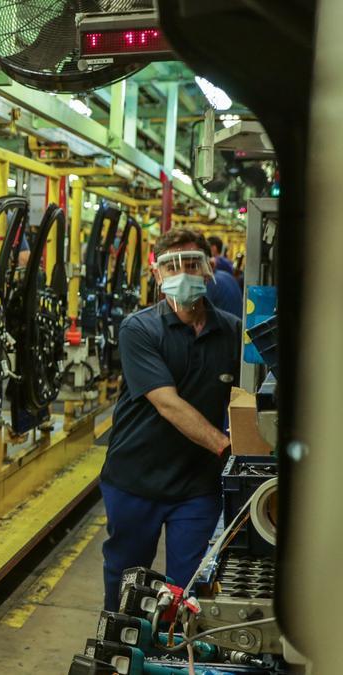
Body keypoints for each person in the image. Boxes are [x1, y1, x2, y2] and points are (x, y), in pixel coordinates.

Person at [100, 227, 241, 612]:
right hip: (135, 480)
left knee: (187, 591)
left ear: (207, 270)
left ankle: (176, 658)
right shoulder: (140, 329)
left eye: (192, 263)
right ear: (157, 275)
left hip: (196, 486)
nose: (183, 272)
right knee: (127, 586)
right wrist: (226, 447)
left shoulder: (232, 331)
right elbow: (167, 404)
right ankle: (120, 656)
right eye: (172, 265)